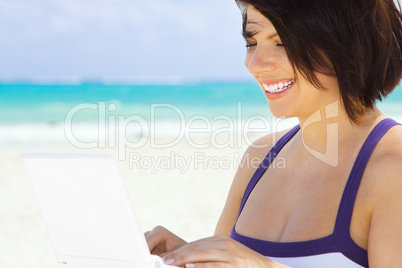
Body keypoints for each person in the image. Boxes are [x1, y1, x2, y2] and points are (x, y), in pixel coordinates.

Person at [145, 0, 402, 267]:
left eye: (282, 43)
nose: (256, 65)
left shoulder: (393, 165)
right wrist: (187, 257)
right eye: (251, 43)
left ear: (346, 42)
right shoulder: (259, 157)